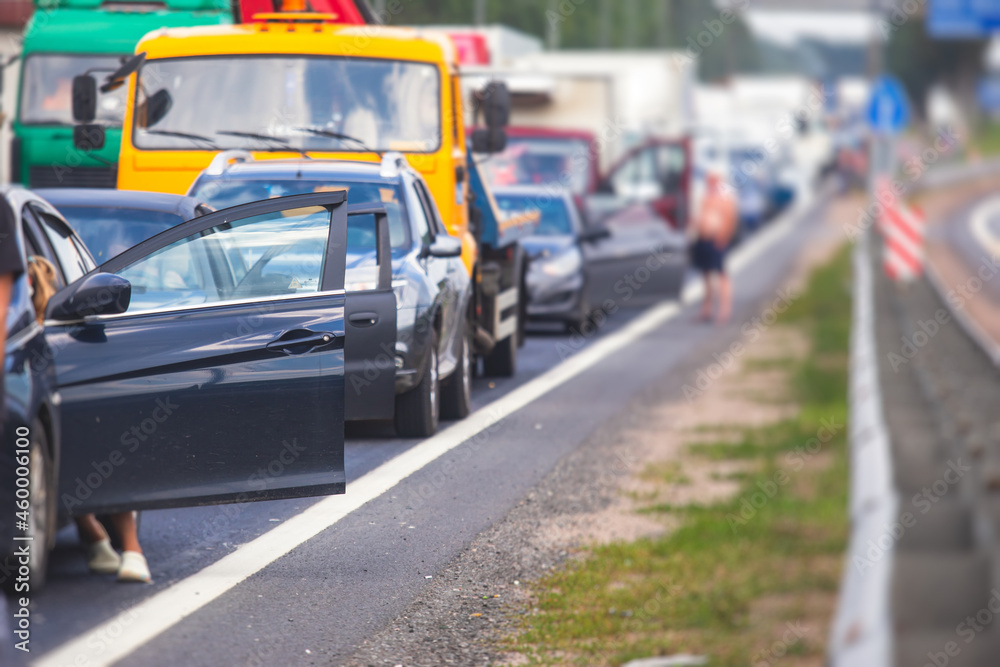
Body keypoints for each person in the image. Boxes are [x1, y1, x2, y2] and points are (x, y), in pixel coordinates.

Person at [24, 244, 151, 583]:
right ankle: (108, 540)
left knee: (99, 443)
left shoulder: (58, 325)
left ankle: (117, 543)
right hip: (51, 414)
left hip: (69, 403)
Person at [690, 171, 738, 325]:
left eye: (713, 180)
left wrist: (723, 237)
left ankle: (725, 309)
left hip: (717, 240)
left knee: (721, 274)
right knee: (706, 275)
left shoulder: (725, 198)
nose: (710, 182)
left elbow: (730, 219)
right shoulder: (706, 197)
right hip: (704, 240)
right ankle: (707, 308)